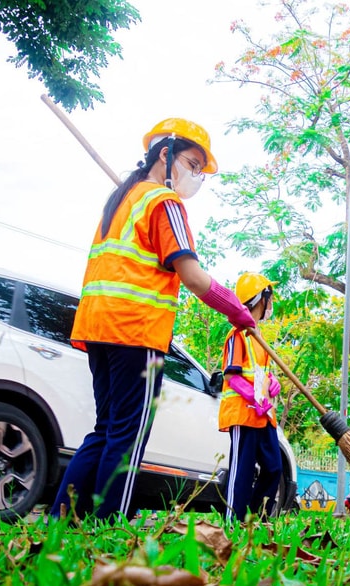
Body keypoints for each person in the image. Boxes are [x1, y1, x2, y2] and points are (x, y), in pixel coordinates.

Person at [50, 118, 256, 521]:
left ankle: (62, 518)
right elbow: (193, 277)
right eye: (192, 163)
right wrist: (235, 308)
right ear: (165, 154)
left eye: (200, 169)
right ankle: (109, 524)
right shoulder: (164, 202)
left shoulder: (123, 199)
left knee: (106, 429)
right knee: (127, 435)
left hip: (97, 326)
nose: (195, 175)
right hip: (136, 329)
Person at [219, 272, 283, 522]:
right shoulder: (238, 335)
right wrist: (252, 396)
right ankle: (233, 522)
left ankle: (254, 518)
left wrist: (273, 383)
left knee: (274, 468)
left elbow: (262, 374)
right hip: (243, 413)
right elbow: (231, 377)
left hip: (264, 415)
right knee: (242, 471)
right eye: (271, 297)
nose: (272, 304)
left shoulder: (258, 336)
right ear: (261, 299)